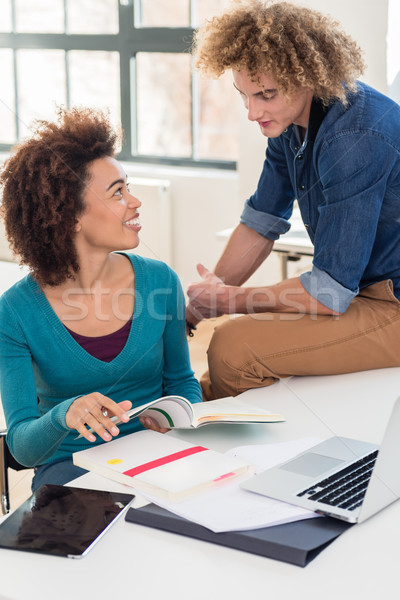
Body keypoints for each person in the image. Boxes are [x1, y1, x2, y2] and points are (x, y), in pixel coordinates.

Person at [187, 0, 400, 401]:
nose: (252, 112)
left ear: (307, 77)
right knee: (229, 345)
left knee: (232, 349)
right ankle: (183, 413)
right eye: (244, 95)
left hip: (391, 302)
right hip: (364, 294)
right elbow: (261, 221)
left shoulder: (354, 138)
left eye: (266, 94)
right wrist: (199, 308)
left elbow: (330, 291)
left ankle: (211, 430)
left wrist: (228, 301)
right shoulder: (291, 125)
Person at [0, 107, 202, 490]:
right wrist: (64, 415)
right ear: (70, 215)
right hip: (72, 469)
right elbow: (22, 447)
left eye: (128, 186)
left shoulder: (160, 282)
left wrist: (174, 418)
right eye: (118, 193)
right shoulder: (15, 311)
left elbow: (182, 382)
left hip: (158, 455)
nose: (135, 201)